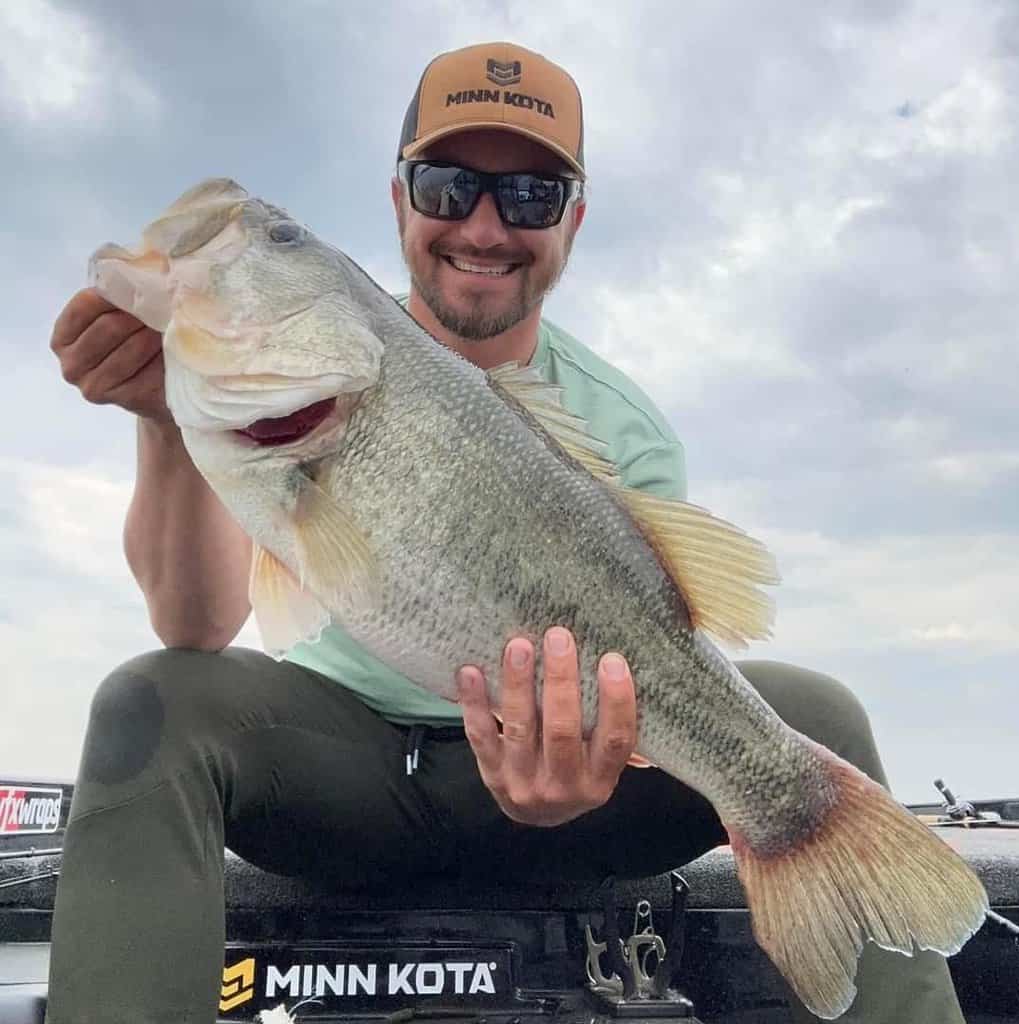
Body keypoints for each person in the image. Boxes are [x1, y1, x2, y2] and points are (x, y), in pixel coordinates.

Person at [47, 41, 967, 1024]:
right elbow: (194, 622)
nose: (483, 225)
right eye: (447, 185)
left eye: (528, 195)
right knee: (153, 696)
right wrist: (163, 420)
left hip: (578, 800)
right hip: (346, 778)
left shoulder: (626, 430)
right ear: (399, 200)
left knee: (811, 717)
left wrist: (585, 768)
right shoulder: (291, 393)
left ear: (571, 220)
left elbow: (668, 635)